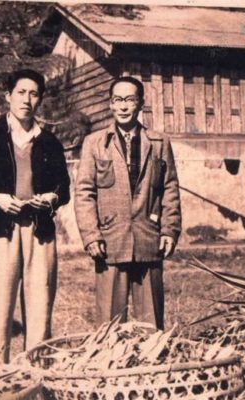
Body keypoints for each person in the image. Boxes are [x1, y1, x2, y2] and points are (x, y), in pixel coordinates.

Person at [0, 68, 70, 364]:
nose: (27, 100)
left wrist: (51, 198)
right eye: (21, 92)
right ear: (8, 97)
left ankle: (38, 375)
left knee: (39, 306)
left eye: (34, 94)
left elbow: (64, 187)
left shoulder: (49, 142)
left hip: (39, 231)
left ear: (40, 99)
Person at [75, 77, 181, 330]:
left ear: (140, 103)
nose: (123, 106)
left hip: (148, 239)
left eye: (130, 99)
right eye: (118, 100)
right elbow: (84, 192)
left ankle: (153, 365)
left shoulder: (158, 142)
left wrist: (170, 230)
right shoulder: (95, 143)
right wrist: (91, 235)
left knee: (152, 324)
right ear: (111, 104)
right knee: (109, 325)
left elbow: (170, 188)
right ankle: (109, 366)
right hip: (110, 241)